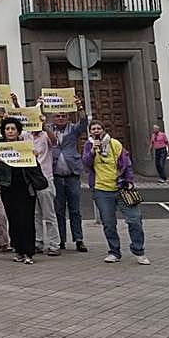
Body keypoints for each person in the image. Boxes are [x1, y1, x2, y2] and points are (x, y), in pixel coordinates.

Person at [84, 121, 149, 265]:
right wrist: (93, 151)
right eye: (93, 129)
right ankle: (114, 252)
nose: (96, 131)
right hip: (102, 190)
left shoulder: (115, 144)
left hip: (121, 188)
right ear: (90, 132)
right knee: (108, 223)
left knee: (135, 220)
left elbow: (126, 163)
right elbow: (87, 164)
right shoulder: (88, 146)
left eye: (98, 128)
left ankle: (139, 251)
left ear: (103, 130)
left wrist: (129, 180)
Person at [0, 118, 39, 265]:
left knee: (27, 219)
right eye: (7, 129)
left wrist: (34, 156)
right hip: (8, 188)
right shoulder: (0, 148)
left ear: (18, 131)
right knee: (13, 219)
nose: (10, 131)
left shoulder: (26, 146)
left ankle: (29, 252)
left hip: (26, 188)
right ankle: (18, 250)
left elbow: (34, 167)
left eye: (13, 129)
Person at [48, 111, 87, 252]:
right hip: (56, 175)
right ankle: (61, 239)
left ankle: (79, 239)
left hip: (72, 175)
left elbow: (83, 123)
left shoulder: (73, 129)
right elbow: (32, 124)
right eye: (57, 116)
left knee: (75, 210)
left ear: (68, 117)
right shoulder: (48, 129)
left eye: (63, 116)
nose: (60, 118)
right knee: (58, 210)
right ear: (53, 117)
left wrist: (80, 108)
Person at [29, 122, 61, 257]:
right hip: (30, 179)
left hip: (45, 178)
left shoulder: (45, 136)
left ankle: (54, 244)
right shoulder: (25, 136)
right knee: (35, 214)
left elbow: (55, 142)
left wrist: (45, 127)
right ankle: (38, 242)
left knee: (49, 214)